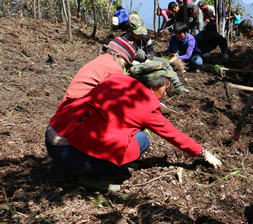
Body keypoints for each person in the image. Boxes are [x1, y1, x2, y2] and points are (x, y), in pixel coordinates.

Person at [45, 61, 222, 192]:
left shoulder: (115, 79)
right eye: (165, 88)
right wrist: (203, 152)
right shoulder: (146, 105)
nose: (166, 93)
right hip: (71, 157)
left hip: (53, 136)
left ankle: (96, 164)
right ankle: (92, 178)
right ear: (154, 86)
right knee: (142, 140)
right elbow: (172, 134)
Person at [60, 37, 136, 106]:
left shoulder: (100, 59)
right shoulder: (115, 68)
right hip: (79, 109)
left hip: (66, 106)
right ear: (117, 56)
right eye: (124, 64)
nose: (123, 67)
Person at [122, 14, 189, 93]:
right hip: (131, 62)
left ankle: (178, 85)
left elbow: (150, 50)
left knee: (164, 62)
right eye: (137, 33)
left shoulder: (145, 36)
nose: (140, 35)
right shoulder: (125, 39)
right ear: (131, 30)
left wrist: (148, 60)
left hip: (145, 59)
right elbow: (122, 56)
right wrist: (132, 62)